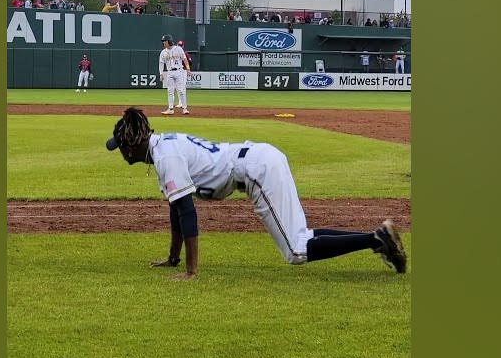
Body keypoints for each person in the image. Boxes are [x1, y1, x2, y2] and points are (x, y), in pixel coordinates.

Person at [103, 107, 407, 279]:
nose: (121, 152)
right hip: (259, 159)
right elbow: (176, 211)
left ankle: (376, 240)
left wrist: (191, 271)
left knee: (297, 251)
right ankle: (377, 239)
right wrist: (173, 258)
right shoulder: (164, 147)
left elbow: (187, 212)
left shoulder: (166, 157)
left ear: (134, 144)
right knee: (301, 236)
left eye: (122, 146)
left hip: (256, 170)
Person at [158, 34, 191, 115]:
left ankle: (184, 108)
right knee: (170, 91)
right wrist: (161, 73)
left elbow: (185, 59)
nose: (163, 43)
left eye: (165, 41)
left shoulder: (178, 49)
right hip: (169, 72)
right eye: (163, 41)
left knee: (181, 91)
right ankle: (170, 109)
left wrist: (188, 69)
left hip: (179, 71)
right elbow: (161, 63)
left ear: (169, 41)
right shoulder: (163, 52)